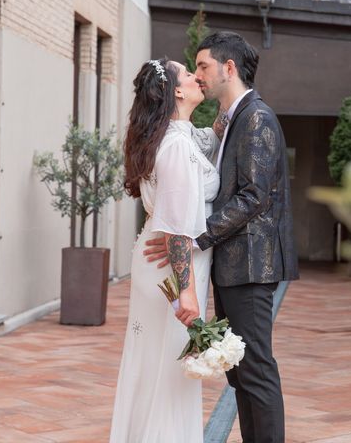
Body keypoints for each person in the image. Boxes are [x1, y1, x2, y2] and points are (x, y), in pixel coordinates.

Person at [145, 32, 299, 443]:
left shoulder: (257, 117)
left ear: (228, 68)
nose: (199, 75)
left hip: (251, 264)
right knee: (242, 375)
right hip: (234, 264)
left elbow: (254, 195)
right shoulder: (231, 118)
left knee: (256, 371)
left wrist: (195, 238)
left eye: (203, 66)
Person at [109, 57, 221, 443]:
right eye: (190, 74)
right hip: (172, 273)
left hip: (163, 264)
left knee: (159, 365)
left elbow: (217, 130)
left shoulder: (181, 136)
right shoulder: (174, 145)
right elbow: (175, 226)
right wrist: (186, 291)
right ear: (175, 90)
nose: (196, 77)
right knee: (170, 370)